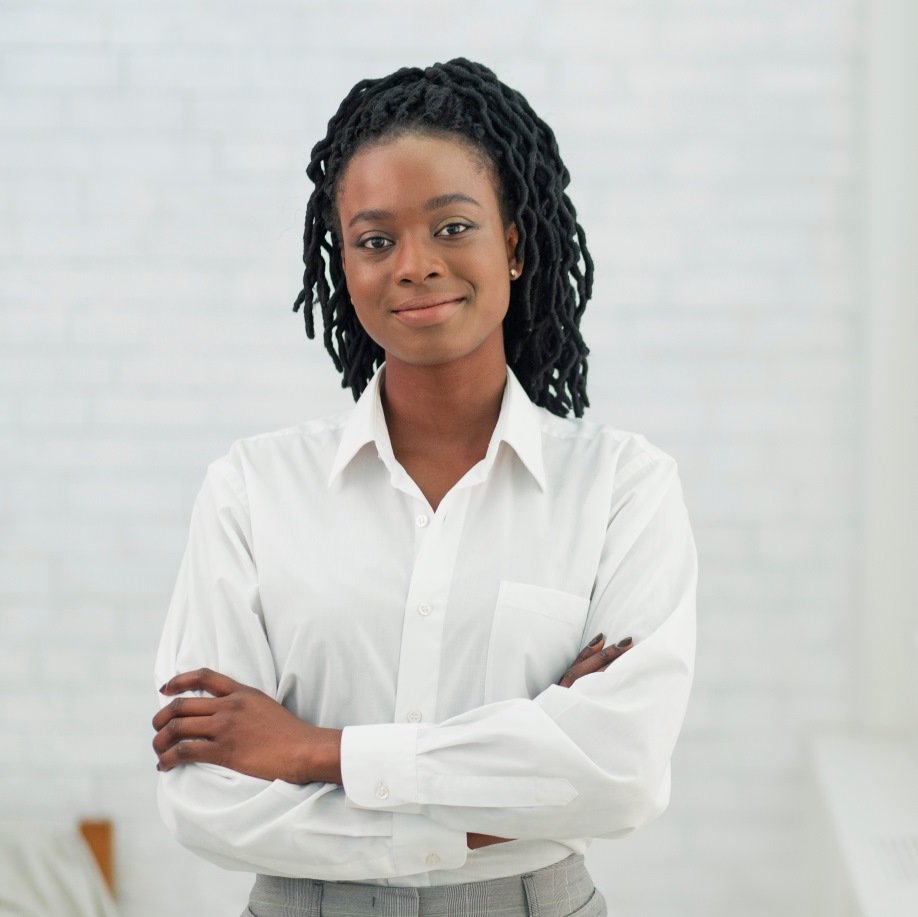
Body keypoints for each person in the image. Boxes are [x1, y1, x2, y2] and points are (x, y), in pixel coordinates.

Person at [152, 58, 697, 917]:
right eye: (375, 240)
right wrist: (518, 772)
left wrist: (315, 751)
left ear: (512, 246)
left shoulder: (622, 489)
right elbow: (208, 799)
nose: (414, 265)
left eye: (452, 227)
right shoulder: (253, 490)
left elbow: (621, 775)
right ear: (346, 265)